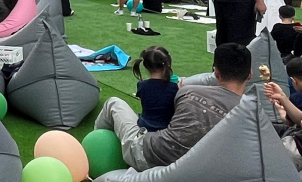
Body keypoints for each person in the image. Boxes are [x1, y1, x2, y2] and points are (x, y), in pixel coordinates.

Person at [93, 43, 249, 171]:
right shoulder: (248, 113)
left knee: (113, 103)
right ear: (250, 75)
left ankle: (94, 143)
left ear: (216, 73)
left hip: (148, 153)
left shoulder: (188, 92)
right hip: (185, 166)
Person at [132, 46, 177, 131]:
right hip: (166, 131)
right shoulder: (174, 88)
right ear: (167, 64)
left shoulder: (141, 85)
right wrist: (181, 91)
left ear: (146, 66)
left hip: (144, 128)